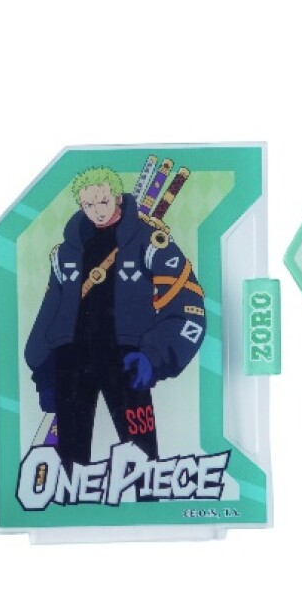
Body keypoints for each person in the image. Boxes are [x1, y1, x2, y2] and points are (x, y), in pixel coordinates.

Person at [25, 166, 206, 467]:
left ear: (118, 198)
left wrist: (154, 356)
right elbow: (49, 314)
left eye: (103, 201)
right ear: (80, 205)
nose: (97, 211)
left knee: (142, 462)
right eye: (89, 204)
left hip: (128, 361)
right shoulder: (65, 253)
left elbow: (188, 306)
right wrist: (43, 372)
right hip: (71, 363)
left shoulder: (150, 242)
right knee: (67, 464)